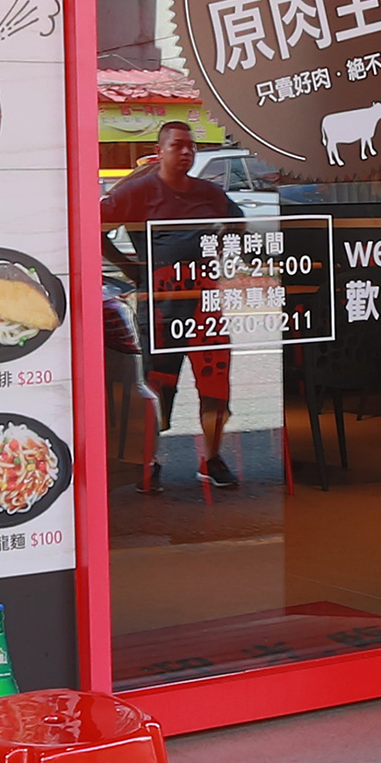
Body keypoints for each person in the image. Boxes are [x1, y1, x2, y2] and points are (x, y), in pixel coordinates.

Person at [99, 121, 244, 489]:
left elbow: (238, 223)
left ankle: (213, 458)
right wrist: (131, 268)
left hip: (205, 304)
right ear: (160, 150)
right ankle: (150, 459)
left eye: (191, 146)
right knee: (158, 384)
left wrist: (221, 249)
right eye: (178, 145)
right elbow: (95, 226)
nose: (186, 152)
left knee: (215, 383)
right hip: (161, 305)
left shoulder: (209, 193)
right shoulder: (137, 191)